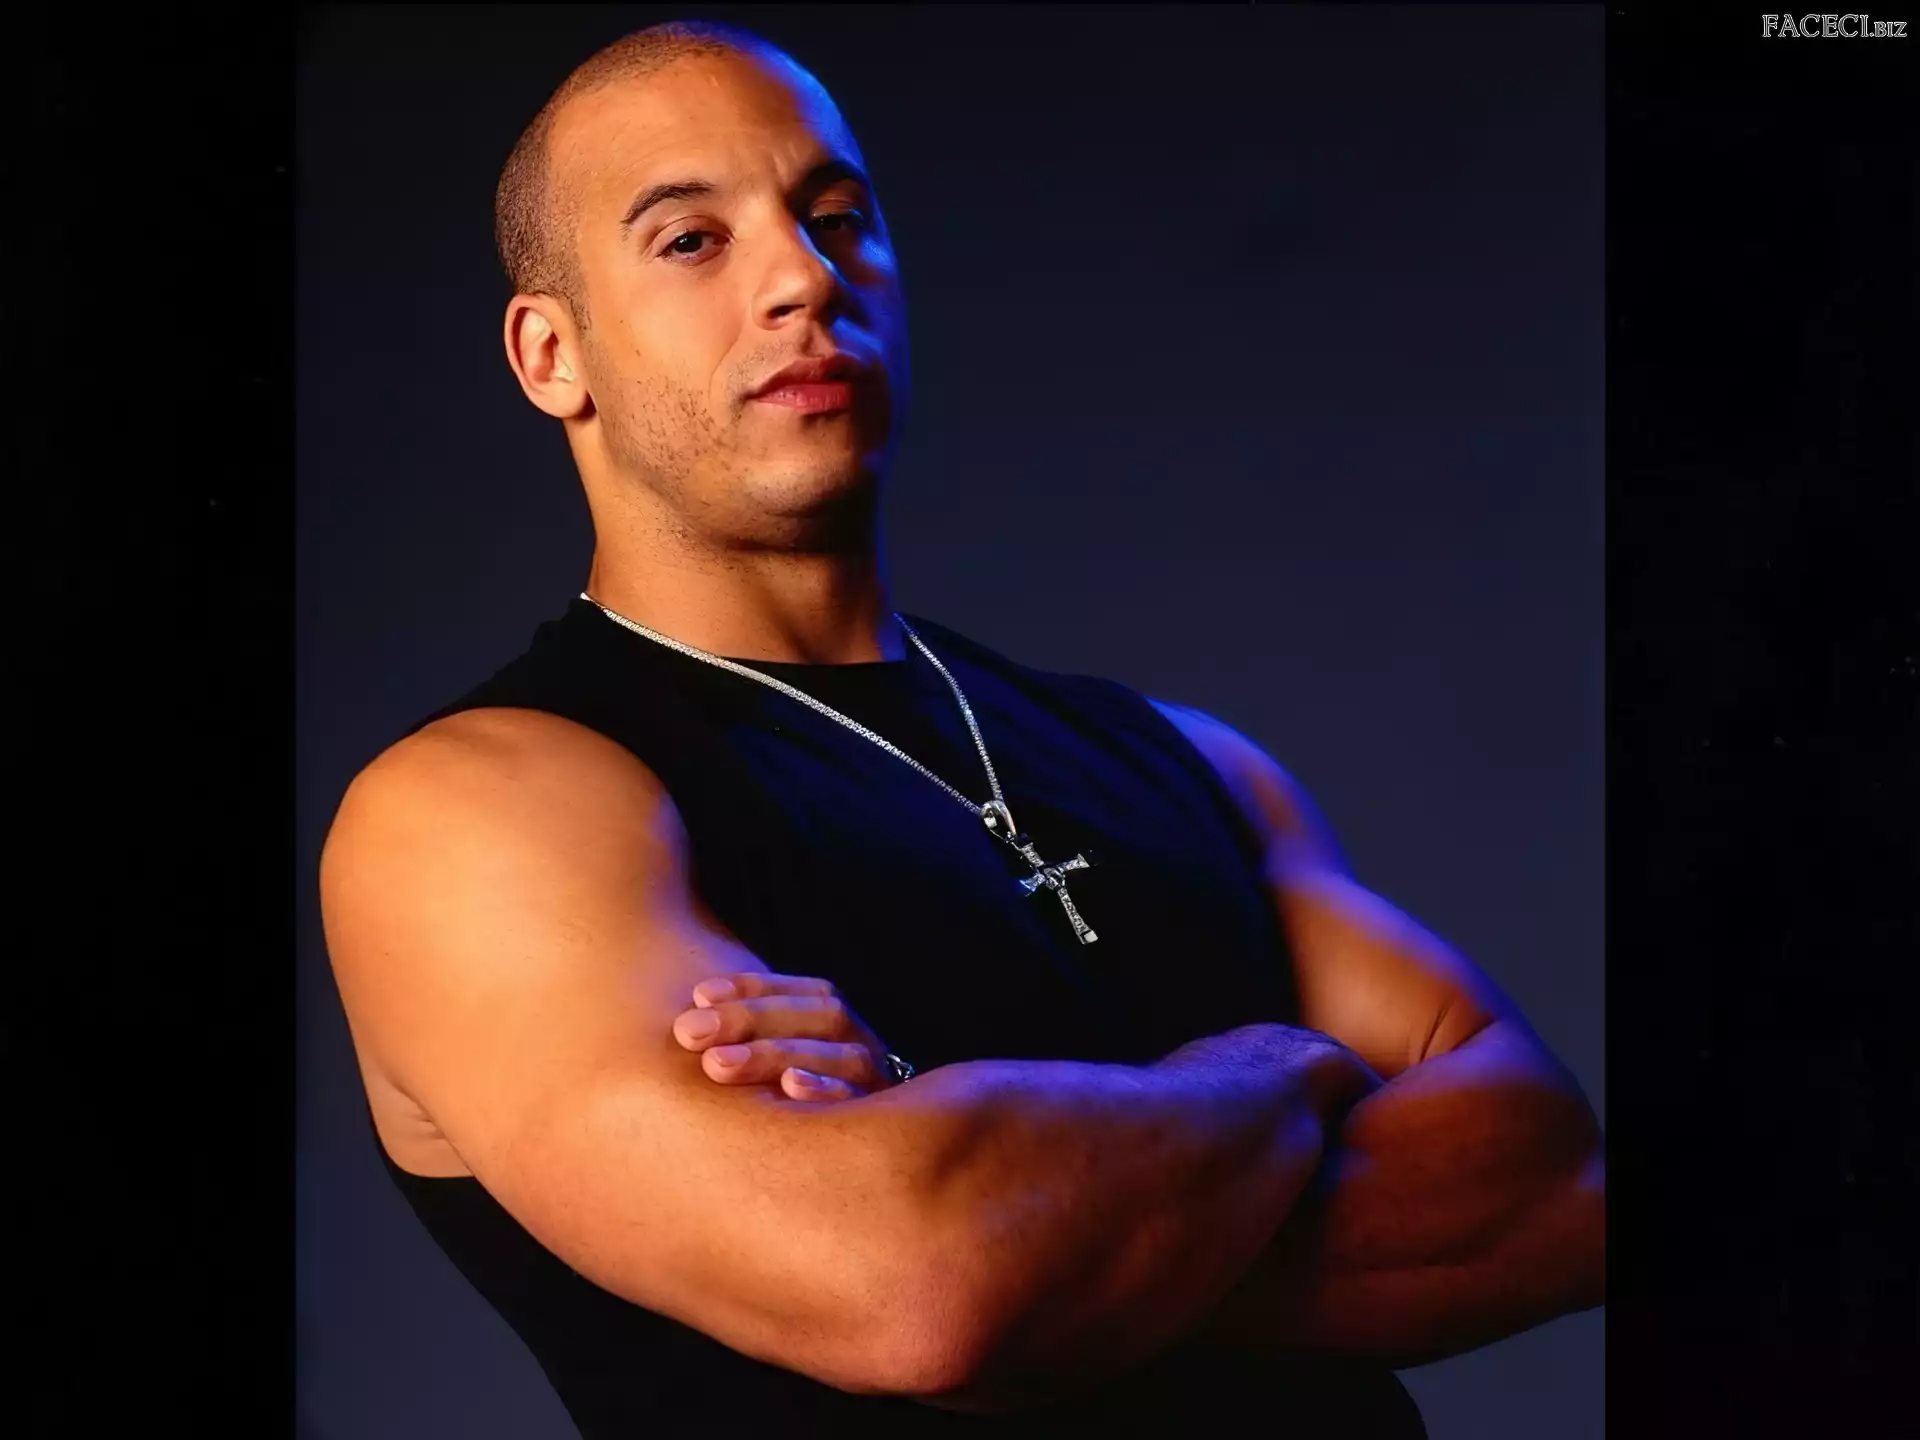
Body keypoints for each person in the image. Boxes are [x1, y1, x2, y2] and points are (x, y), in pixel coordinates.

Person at [317, 19, 1604, 1437]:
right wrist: (1280, 1065)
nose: (804, 278)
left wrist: (1019, 1198)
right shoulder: (482, 811)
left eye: (835, 218)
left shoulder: (1189, 763)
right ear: (551, 354)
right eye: (692, 240)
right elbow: (921, 1288)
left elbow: (1557, 1189)